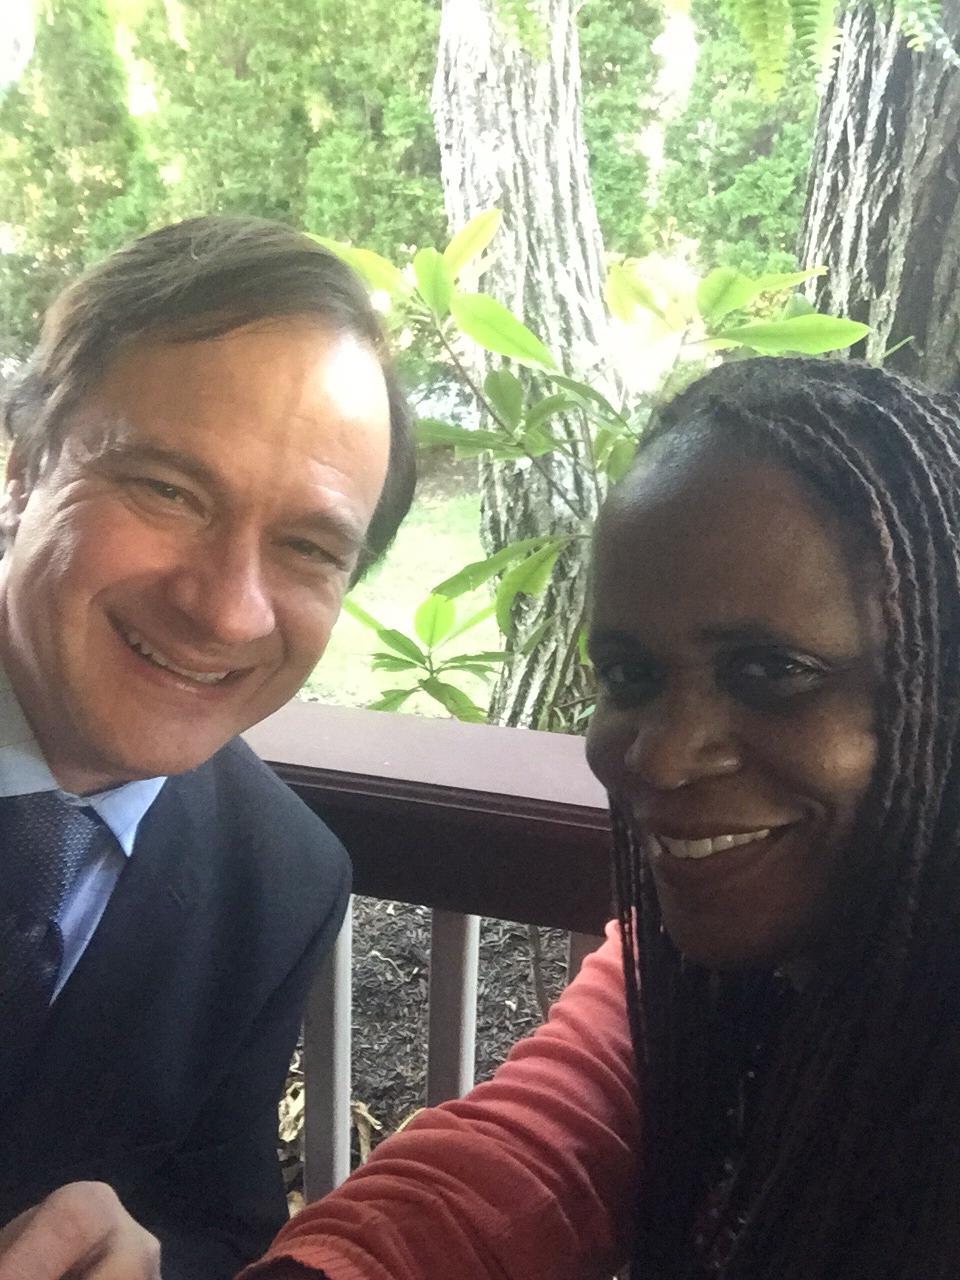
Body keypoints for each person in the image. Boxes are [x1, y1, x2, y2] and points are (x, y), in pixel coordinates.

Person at [238, 356, 960, 1280]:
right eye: (630, 675)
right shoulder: (697, 971)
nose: (661, 756)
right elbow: (538, 1147)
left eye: (772, 671)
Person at [0, 215, 415, 1280]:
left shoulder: (282, 876)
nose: (227, 610)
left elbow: (218, 1219)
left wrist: (141, 1260)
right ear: (21, 468)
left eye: (307, 547)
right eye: (169, 491)